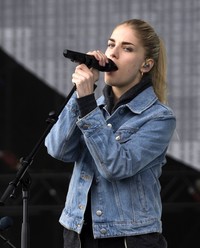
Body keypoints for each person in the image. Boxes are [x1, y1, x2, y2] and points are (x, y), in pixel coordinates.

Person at [45, 19, 176, 248]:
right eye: (110, 44)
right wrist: (80, 98)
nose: (113, 54)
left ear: (146, 65)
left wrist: (86, 103)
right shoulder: (92, 108)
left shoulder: (159, 117)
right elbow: (58, 149)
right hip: (76, 232)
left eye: (127, 48)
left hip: (127, 237)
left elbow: (115, 167)